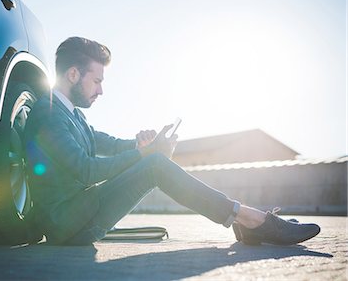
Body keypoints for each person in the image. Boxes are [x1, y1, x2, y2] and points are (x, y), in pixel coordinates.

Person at [24, 36, 320, 246]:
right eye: (97, 81)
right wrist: (147, 155)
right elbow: (86, 170)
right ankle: (251, 220)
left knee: (153, 161)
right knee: (154, 165)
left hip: (80, 213)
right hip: (69, 225)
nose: (101, 91)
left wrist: (141, 145)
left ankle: (248, 221)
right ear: (73, 74)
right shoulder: (49, 116)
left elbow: (110, 144)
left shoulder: (71, 113)